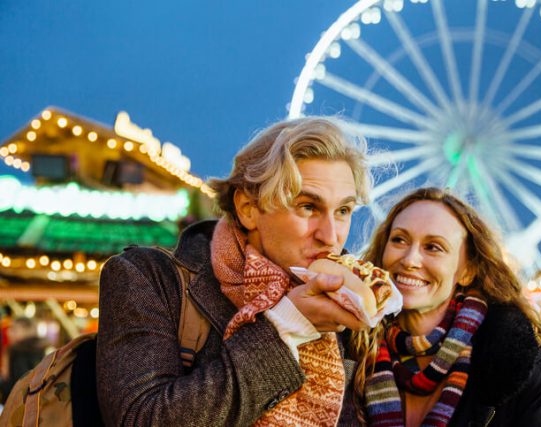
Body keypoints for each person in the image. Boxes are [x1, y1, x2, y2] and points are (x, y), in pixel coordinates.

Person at [96, 116, 373, 426]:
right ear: (248, 208)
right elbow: (140, 419)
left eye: (344, 210)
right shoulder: (148, 278)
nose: (331, 235)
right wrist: (286, 326)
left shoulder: (353, 298)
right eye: (308, 206)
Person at [349, 187, 541, 426]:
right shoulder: (350, 349)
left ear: (467, 271)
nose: (410, 259)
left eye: (433, 247)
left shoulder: (527, 372)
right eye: (399, 240)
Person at [0, 317, 49, 403]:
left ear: (26, 331)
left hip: (16, 405)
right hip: (36, 403)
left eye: (14, 330)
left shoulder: (17, 351)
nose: (8, 333)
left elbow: (18, 384)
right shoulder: (40, 350)